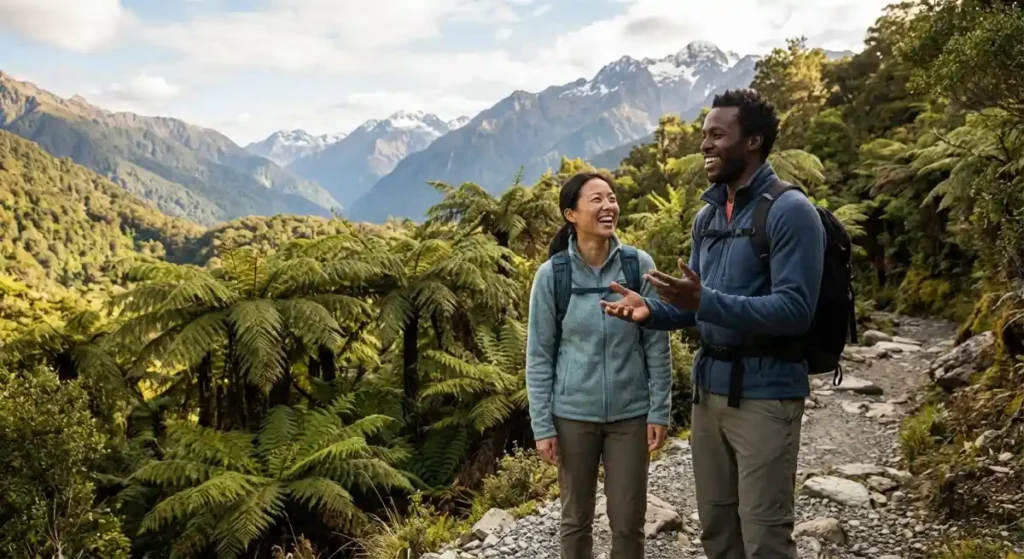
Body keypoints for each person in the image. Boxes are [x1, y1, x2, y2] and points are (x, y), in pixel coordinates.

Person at [600, 89, 826, 558]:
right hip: (709, 395)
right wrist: (651, 312)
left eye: (717, 135)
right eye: (703, 134)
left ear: (753, 142)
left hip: (766, 395)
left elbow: (794, 311)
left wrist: (706, 300)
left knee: (765, 535)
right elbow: (695, 308)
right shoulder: (707, 217)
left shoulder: (790, 212)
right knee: (718, 530)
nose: (704, 145)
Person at [525, 171, 673, 559]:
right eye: (596, 199)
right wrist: (542, 425)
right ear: (570, 214)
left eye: (611, 198)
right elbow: (539, 355)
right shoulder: (552, 276)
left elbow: (657, 343)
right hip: (573, 415)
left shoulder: (637, 265)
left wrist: (659, 410)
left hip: (630, 414)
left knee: (628, 520)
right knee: (575, 519)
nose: (608, 206)